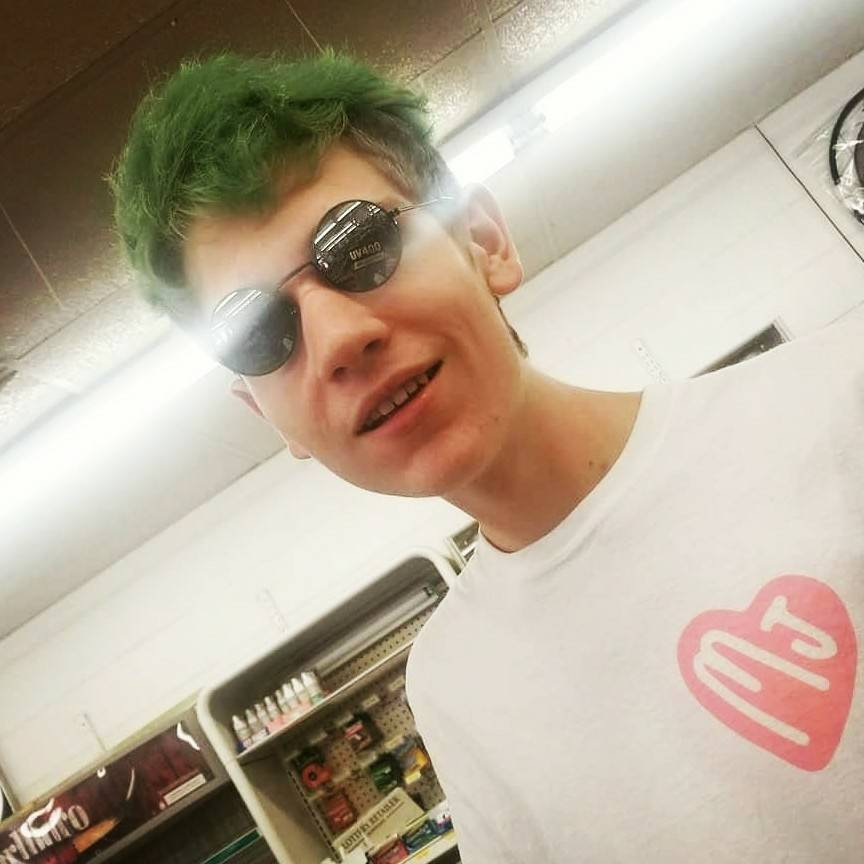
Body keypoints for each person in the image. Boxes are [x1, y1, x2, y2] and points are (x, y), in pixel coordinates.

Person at [111, 51, 862, 863]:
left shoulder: (837, 399)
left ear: (483, 240)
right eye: (259, 334)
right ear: (266, 414)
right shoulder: (456, 694)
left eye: (357, 243)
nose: (338, 339)